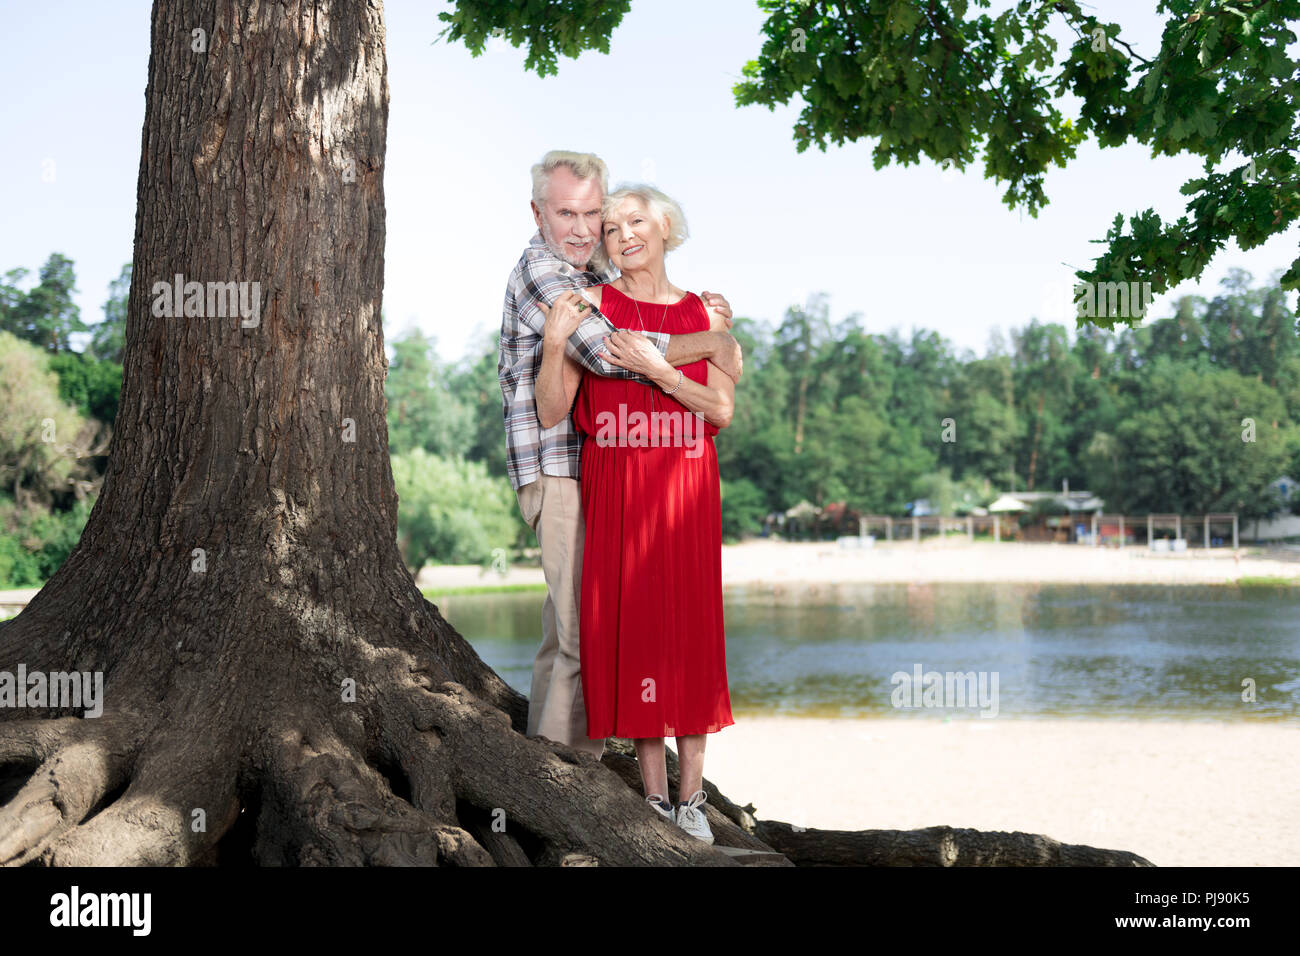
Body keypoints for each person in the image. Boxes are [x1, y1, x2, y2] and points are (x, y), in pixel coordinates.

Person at [498, 150, 742, 764]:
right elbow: (612, 353)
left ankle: (548, 761)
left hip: (595, 472)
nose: (584, 229)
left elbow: (640, 294)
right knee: (587, 635)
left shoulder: (588, 273)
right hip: (558, 471)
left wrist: (704, 313)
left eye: (593, 215)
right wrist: (714, 339)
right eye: (566, 214)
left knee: (565, 633)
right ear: (537, 213)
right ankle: (569, 781)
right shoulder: (544, 274)